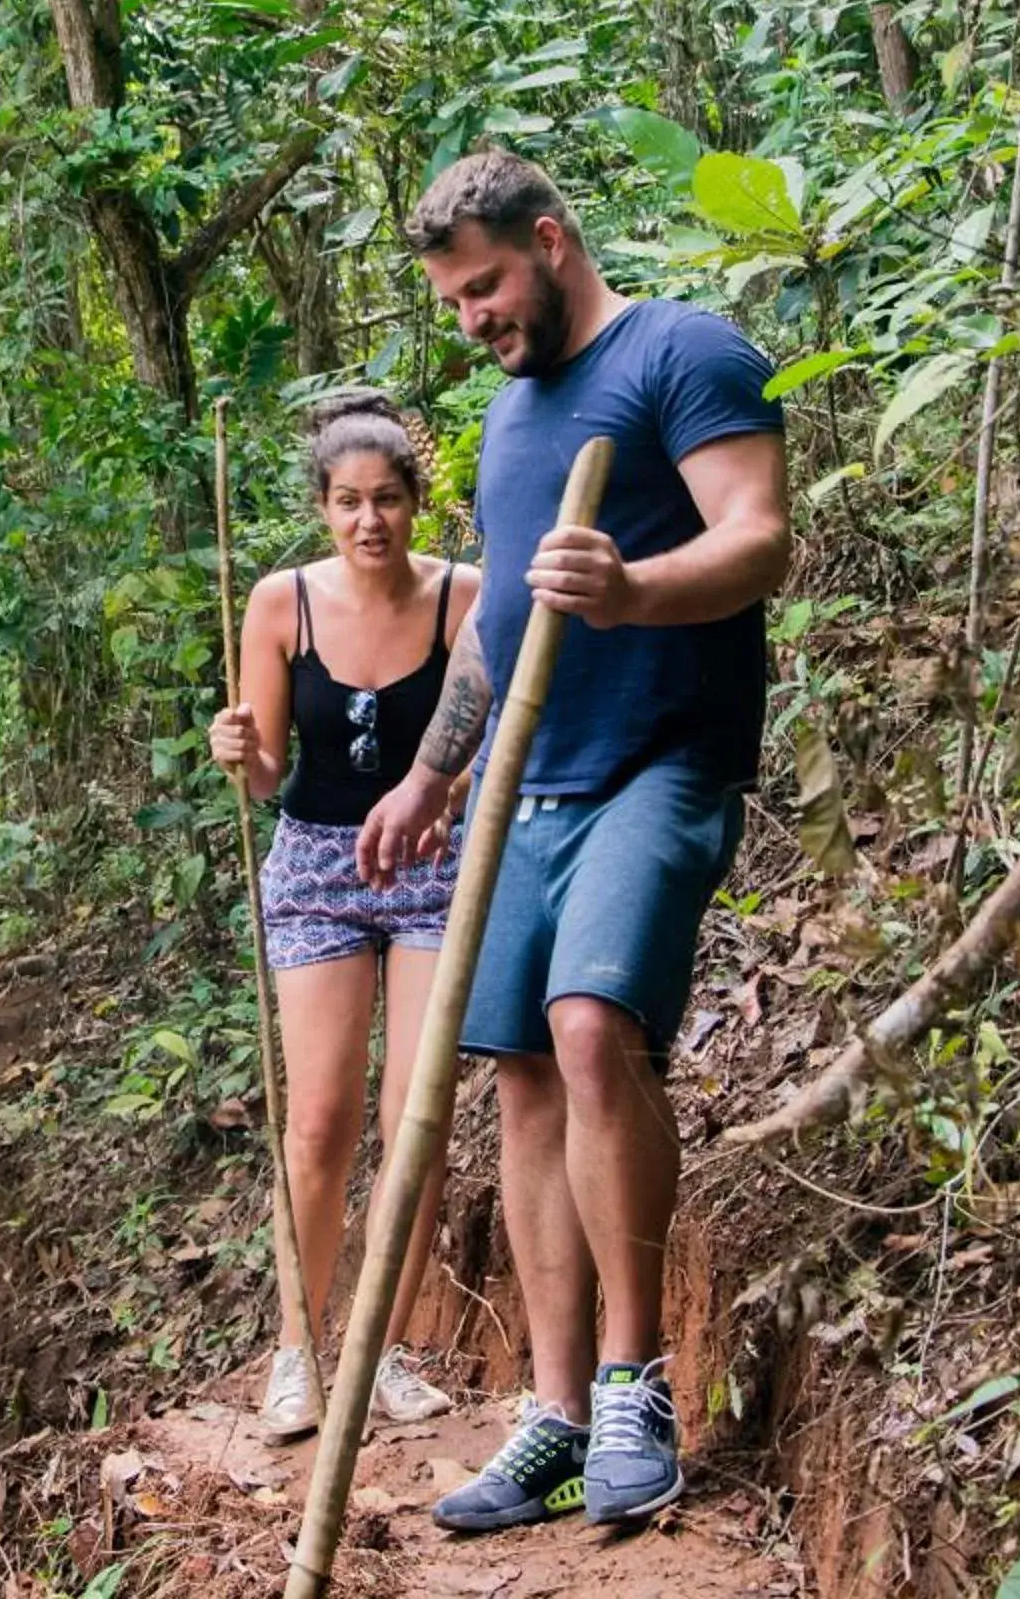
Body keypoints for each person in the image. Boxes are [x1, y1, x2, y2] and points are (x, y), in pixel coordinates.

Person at [356, 151, 791, 1531]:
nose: (472, 317)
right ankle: (549, 1417)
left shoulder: (685, 351)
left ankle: (632, 1383)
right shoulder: (505, 419)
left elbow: (761, 540)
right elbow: (498, 631)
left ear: (548, 240)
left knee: (596, 1022)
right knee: (523, 1076)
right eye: (453, 300)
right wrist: (433, 773)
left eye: (484, 285)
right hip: (526, 789)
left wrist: (633, 587)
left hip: (664, 762)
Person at [209, 390, 479, 1441]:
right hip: (317, 867)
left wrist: (438, 803)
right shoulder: (281, 603)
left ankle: (388, 1348)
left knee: (416, 1123)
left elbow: (478, 754)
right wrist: (240, 756)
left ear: (419, 503)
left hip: (429, 868)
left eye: (389, 499)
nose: (370, 520)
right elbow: (271, 768)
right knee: (318, 1122)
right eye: (349, 502)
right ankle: (295, 1352)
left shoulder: (467, 598)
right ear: (324, 508)